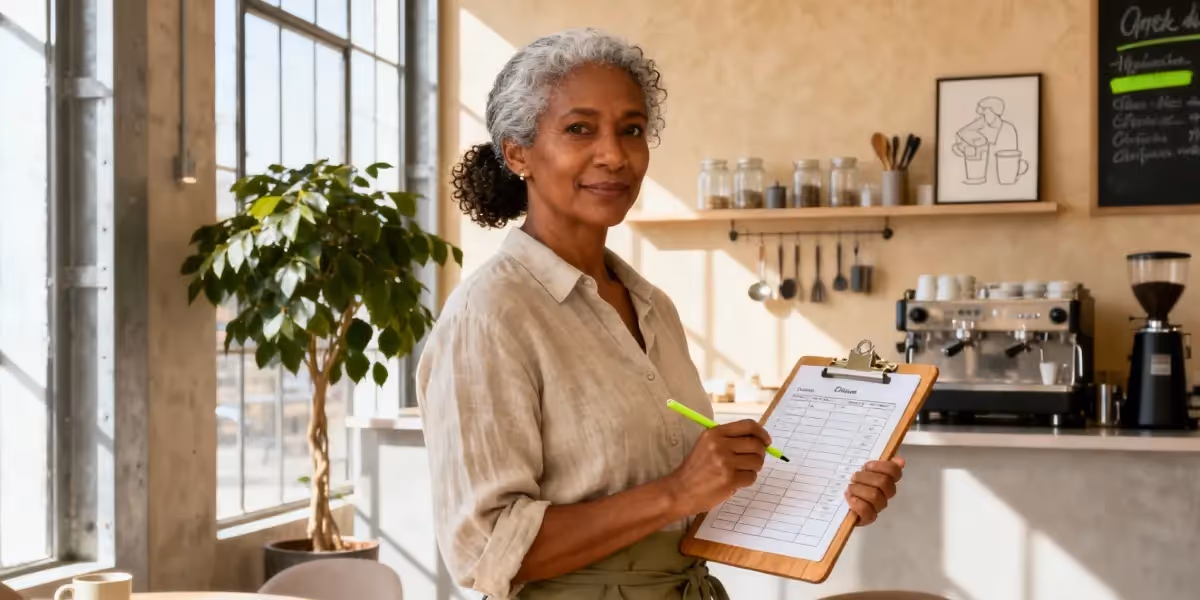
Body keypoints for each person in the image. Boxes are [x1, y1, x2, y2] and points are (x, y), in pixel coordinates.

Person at [415, 28, 906, 600]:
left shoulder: (652, 306)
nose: (615, 155)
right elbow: (484, 550)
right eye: (580, 129)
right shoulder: (488, 315)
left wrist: (830, 500)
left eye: (632, 130)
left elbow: (683, 512)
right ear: (517, 152)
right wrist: (678, 491)